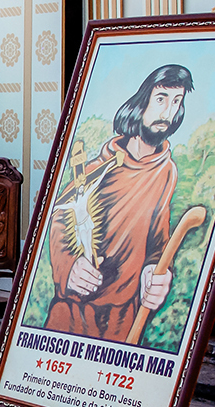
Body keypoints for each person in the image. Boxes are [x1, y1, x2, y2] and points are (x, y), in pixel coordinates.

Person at [44, 64, 190, 341]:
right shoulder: (98, 169)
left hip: (124, 314)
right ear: (142, 101)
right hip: (76, 309)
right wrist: (70, 267)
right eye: (161, 99)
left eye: (176, 102)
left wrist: (155, 272)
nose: (168, 113)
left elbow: (158, 238)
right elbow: (61, 220)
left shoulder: (166, 171)